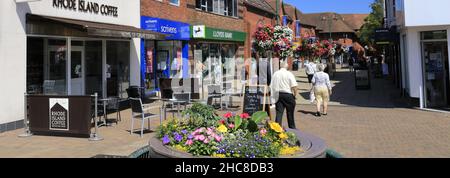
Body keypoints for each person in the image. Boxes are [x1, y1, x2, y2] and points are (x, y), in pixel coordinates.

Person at [270, 61, 298, 129]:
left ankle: (277, 128)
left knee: (279, 113)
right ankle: (292, 128)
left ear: (280, 66)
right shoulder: (289, 74)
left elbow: (271, 85)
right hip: (287, 94)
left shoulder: (275, 74)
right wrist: (295, 95)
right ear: (287, 67)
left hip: (278, 94)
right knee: (290, 113)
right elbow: (294, 86)